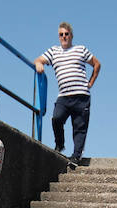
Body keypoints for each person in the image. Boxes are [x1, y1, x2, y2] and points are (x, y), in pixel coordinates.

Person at [33, 22, 100, 164]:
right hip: (63, 96)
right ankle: (60, 143)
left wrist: (91, 82)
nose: (64, 37)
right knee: (56, 118)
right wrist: (39, 64)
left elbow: (97, 64)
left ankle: (76, 156)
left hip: (81, 95)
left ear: (71, 35)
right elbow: (38, 59)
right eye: (61, 34)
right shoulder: (53, 51)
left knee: (79, 127)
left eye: (66, 34)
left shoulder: (80, 49)